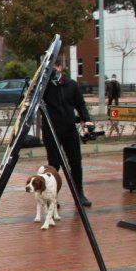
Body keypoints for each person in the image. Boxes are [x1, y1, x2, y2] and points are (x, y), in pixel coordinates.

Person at [41, 59, 93, 207]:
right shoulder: (44, 87)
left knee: (76, 162)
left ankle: (79, 193)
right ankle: (52, 196)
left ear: (60, 67)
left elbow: (80, 105)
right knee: (54, 165)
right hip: (52, 131)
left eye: (54, 67)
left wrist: (86, 120)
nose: (52, 71)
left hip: (69, 129)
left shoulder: (71, 85)